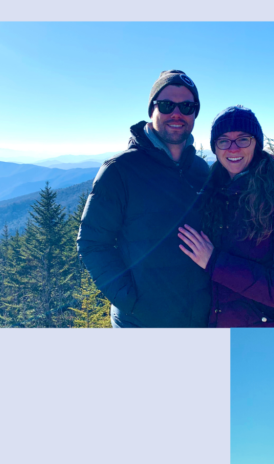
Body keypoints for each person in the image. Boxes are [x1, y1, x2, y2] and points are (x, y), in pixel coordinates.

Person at [77, 70, 211, 327]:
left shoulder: (200, 170)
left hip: (197, 318)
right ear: (152, 109)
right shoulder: (119, 170)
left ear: (195, 114)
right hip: (139, 322)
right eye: (166, 105)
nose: (177, 113)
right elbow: (92, 243)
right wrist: (131, 301)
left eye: (187, 106)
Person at [177, 106, 274, 327]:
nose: (233, 148)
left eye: (243, 139)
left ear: (256, 144)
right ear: (215, 147)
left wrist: (214, 262)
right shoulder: (213, 191)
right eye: (223, 140)